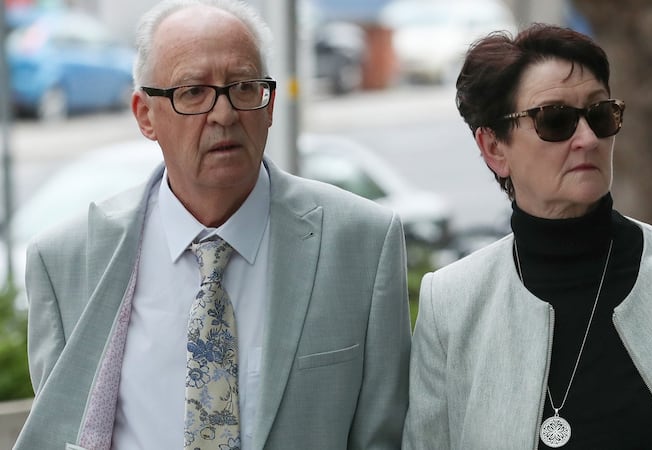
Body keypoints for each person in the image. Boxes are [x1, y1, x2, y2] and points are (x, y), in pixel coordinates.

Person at [14, 1, 410, 449]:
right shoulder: (66, 262)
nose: (223, 114)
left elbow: (384, 436)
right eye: (193, 92)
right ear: (145, 115)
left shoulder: (361, 243)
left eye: (243, 87)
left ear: (270, 103)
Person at [402, 23, 652, 449]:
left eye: (600, 115)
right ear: (494, 147)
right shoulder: (452, 303)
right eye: (555, 119)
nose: (586, 139)